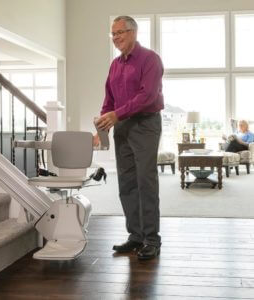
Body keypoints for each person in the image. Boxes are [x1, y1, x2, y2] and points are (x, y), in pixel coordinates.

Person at [94, 16, 164, 260]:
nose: (116, 37)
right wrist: (102, 127)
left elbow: (148, 96)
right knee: (126, 183)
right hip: (122, 126)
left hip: (145, 124)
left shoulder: (150, 59)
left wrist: (116, 114)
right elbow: (109, 100)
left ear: (133, 32)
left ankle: (152, 239)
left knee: (145, 181)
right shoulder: (115, 64)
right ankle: (135, 236)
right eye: (113, 34)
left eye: (120, 32)